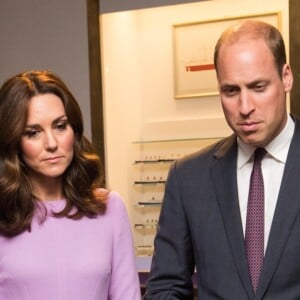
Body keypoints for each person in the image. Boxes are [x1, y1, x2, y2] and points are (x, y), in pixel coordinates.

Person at [144, 20, 297, 299]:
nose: (245, 107)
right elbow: (166, 287)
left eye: (258, 87)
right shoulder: (188, 178)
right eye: (231, 91)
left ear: (286, 77)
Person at [0, 70, 141, 300]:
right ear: (14, 141)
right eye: (33, 132)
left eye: (60, 126)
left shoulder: (110, 209)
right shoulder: (3, 215)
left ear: (73, 129)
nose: (52, 143)